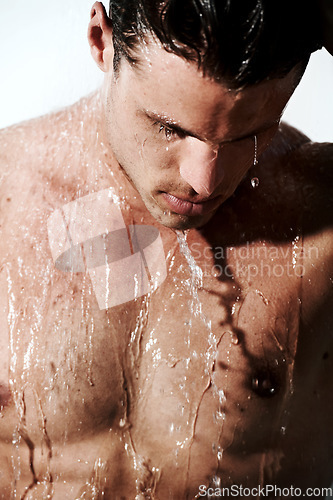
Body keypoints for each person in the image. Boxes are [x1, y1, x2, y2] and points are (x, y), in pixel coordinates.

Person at [0, 0, 332, 498]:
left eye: (248, 135)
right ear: (100, 40)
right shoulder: (6, 203)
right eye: (169, 128)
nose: (204, 180)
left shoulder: (319, 212)